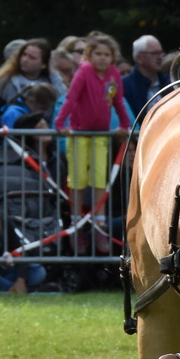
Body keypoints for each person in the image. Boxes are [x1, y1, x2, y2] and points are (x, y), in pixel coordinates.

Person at [58, 33, 130, 254]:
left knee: (100, 176)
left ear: (113, 57)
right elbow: (71, 97)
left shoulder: (113, 74)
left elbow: (118, 100)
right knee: (78, 178)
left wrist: (126, 124)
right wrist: (60, 121)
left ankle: (99, 222)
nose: (102, 58)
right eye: (98, 54)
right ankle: (77, 222)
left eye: (107, 55)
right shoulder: (84, 71)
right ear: (89, 55)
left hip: (100, 134)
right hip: (79, 133)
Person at [0, 38, 53, 106]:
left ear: (44, 64)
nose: (25, 60)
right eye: (24, 54)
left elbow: (62, 104)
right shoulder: (6, 80)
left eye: (32, 58)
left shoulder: (50, 83)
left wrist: (54, 73)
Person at [122, 35, 166, 121]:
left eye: (161, 53)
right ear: (139, 58)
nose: (160, 57)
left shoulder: (169, 81)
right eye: (154, 53)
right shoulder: (124, 85)